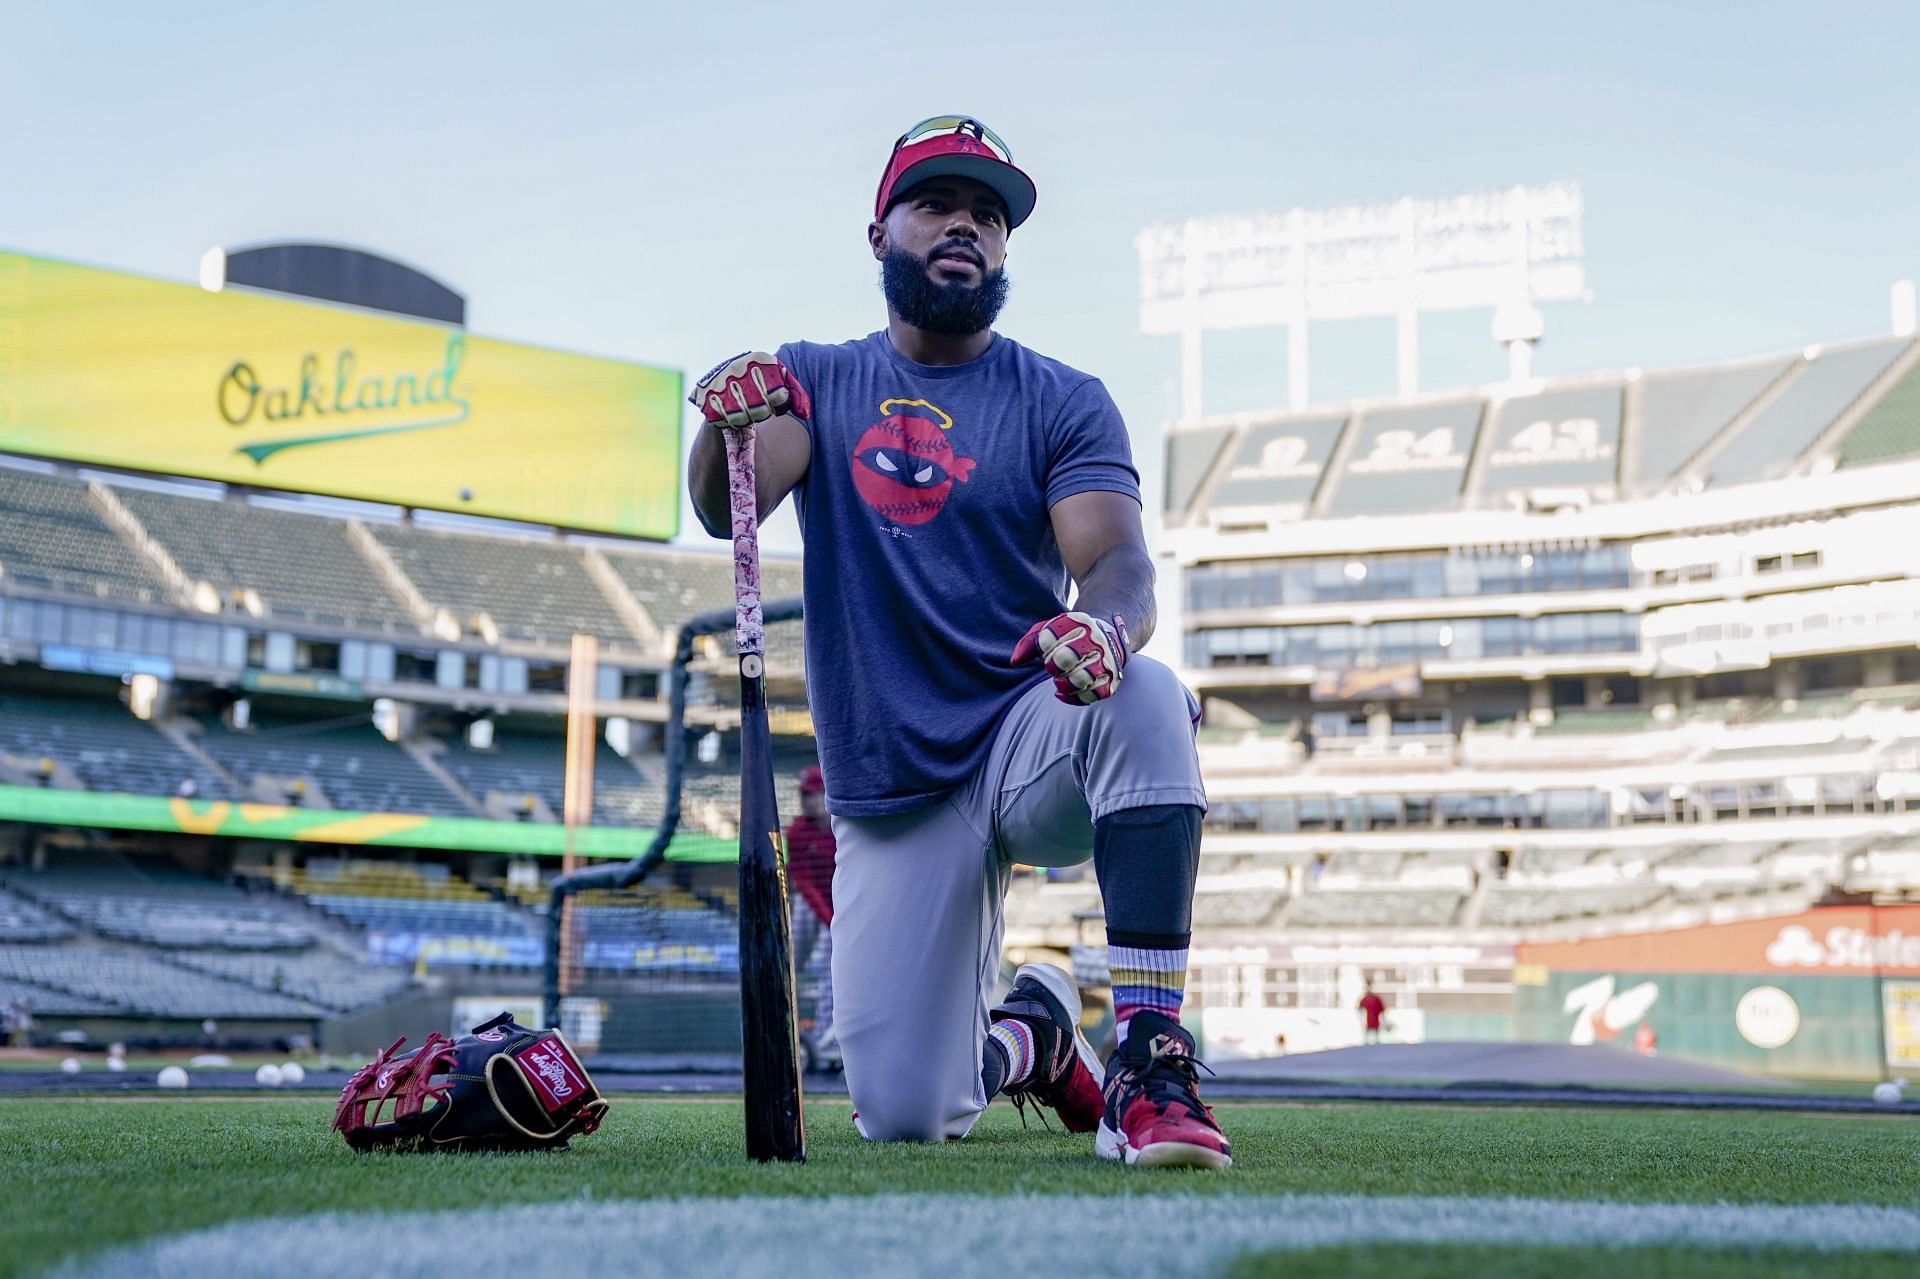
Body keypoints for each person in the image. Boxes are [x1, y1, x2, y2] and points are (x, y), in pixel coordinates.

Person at [688, 115, 1228, 1169]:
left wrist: (1107, 629)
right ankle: (1033, 1035)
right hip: (894, 786)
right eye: (936, 203)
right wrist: (727, 426)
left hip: (1027, 737)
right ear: (880, 230)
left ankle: (1149, 1058)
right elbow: (729, 504)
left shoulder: (1064, 399)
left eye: (987, 213)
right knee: (903, 1111)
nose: (965, 226)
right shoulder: (815, 377)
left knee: (1149, 693)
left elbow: (1117, 564)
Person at [785, 764, 839, 1070]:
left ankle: (826, 1042)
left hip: (843, 907)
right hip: (813, 906)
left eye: (814, 794)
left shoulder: (842, 826)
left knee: (831, 971)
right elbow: (804, 883)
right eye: (804, 795)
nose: (808, 801)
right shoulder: (797, 832)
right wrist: (829, 919)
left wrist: (838, 921)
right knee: (790, 959)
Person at [1358, 981, 1386, 1045]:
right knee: (1367, 1039)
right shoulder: (1364, 999)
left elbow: (1382, 1010)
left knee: (1375, 1038)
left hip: (1375, 1021)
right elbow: (1360, 1009)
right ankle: (1366, 1041)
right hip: (1367, 1021)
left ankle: (1375, 1041)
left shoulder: (1376, 999)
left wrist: (1383, 1021)